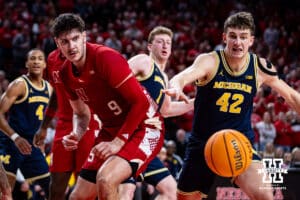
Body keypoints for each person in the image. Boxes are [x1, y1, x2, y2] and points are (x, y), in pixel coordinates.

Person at [164, 11, 300, 200]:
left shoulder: (259, 67)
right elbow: (184, 75)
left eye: (243, 37)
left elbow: (292, 96)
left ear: (251, 40)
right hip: (203, 145)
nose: (238, 42)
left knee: (267, 196)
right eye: (233, 36)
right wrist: (176, 85)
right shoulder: (210, 60)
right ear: (224, 38)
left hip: (239, 144)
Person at [52, 13, 164, 200]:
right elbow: (81, 115)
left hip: (145, 126)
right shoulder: (65, 73)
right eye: (65, 41)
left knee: (106, 179)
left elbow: (142, 103)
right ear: (58, 43)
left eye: (75, 39)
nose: (71, 46)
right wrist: (76, 134)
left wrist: (118, 142)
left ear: (84, 36)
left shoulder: (105, 58)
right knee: (77, 197)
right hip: (110, 130)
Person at [119, 26, 194, 200]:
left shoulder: (164, 78)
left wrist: (194, 103)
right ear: (149, 46)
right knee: (126, 192)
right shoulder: (143, 61)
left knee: (171, 192)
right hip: (127, 137)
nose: (165, 45)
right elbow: (117, 81)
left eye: (168, 42)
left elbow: (166, 110)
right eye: (160, 42)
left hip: (145, 143)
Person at [33, 48, 99, 200]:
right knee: (56, 185)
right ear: (57, 39)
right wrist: (43, 126)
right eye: (62, 38)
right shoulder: (52, 58)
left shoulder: (91, 56)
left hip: (90, 123)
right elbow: (56, 94)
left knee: (85, 185)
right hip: (63, 124)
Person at [0, 49, 51, 199]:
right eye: (32, 59)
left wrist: (42, 133)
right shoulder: (19, 85)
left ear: (45, 64)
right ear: (26, 64)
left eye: (40, 59)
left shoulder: (49, 88)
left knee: (51, 187)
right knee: (6, 191)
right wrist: (15, 137)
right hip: (11, 142)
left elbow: (42, 116)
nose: (36, 61)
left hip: (31, 145)